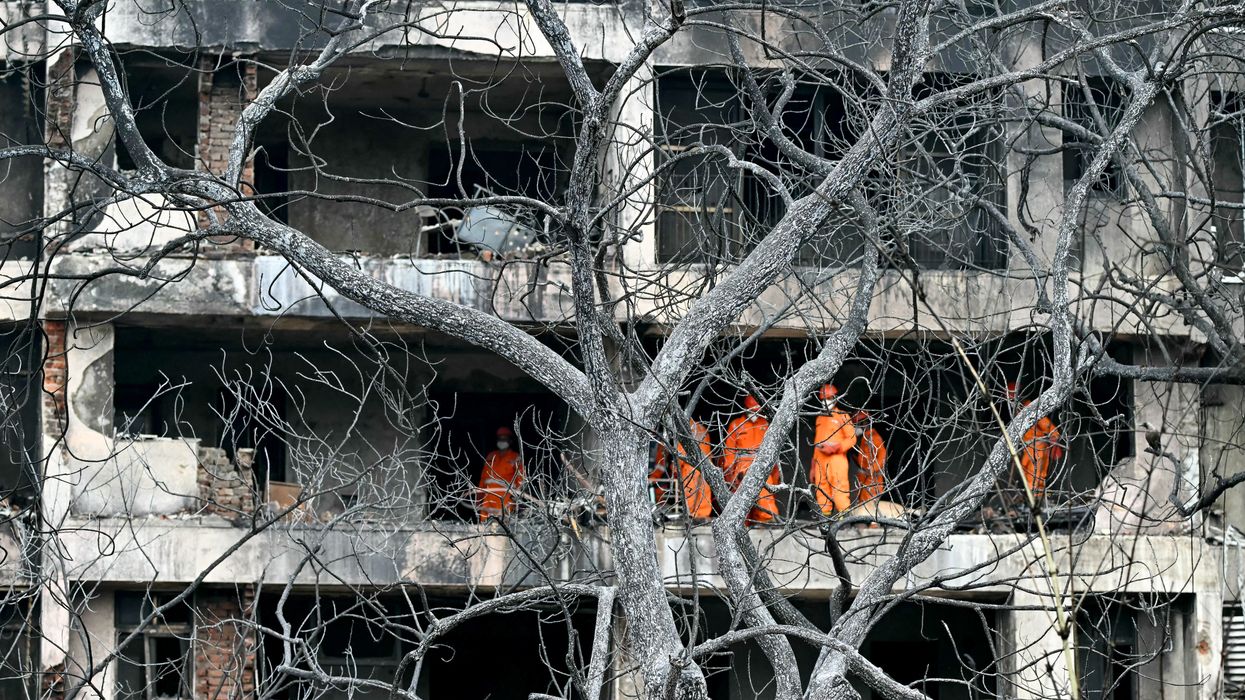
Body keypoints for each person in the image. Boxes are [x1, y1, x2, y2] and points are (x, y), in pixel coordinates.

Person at [722, 395, 781, 525]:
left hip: (762, 467)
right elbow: (729, 451)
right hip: (742, 469)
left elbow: (773, 451)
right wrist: (730, 473)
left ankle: (766, 525)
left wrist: (775, 472)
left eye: (757, 411)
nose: (755, 414)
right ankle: (740, 527)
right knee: (742, 502)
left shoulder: (766, 424)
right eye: (752, 411)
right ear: (745, 409)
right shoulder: (736, 425)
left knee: (765, 500)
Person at [1006, 382, 1063, 502]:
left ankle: (1036, 502)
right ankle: (1031, 501)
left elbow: (1048, 426)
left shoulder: (1030, 408)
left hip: (1038, 449)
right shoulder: (1017, 411)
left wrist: (1054, 438)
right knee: (1028, 476)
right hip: (1027, 449)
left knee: (1036, 476)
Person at [652, 418, 714, 521]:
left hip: (691, 465)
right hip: (701, 465)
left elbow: (681, 455)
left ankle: (691, 517)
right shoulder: (697, 428)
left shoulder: (685, 430)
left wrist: (675, 469)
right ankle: (699, 516)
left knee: (691, 490)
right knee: (701, 491)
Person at [810, 385, 856, 516]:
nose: (826, 401)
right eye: (823, 398)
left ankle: (844, 519)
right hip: (820, 460)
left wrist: (837, 448)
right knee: (821, 488)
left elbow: (852, 439)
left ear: (835, 398)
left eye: (829, 398)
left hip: (836, 459)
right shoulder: (819, 418)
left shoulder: (842, 416)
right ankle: (825, 518)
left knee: (839, 488)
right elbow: (816, 444)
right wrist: (813, 467)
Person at [477, 426, 524, 522]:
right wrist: (478, 498)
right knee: (485, 527)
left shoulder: (515, 457)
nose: (502, 441)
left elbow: (521, 479)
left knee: (504, 526)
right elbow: (483, 478)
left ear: (510, 441)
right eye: (500, 439)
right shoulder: (491, 456)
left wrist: (517, 496)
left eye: (505, 439)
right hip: (488, 498)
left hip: (506, 499)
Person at [852, 410, 887, 504]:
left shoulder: (874, 437)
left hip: (873, 480)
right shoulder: (865, 438)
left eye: (857, 424)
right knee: (863, 506)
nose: (856, 427)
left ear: (865, 422)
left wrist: (870, 469)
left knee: (869, 508)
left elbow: (883, 457)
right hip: (865, 479)